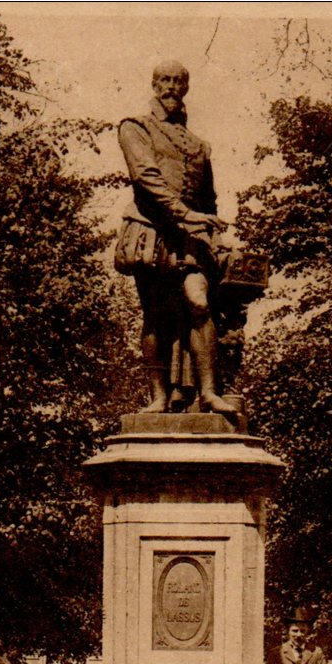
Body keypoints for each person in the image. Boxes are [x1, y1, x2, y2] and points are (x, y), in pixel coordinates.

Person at [113, 59, 238, 415]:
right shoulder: (135, 127)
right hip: (150, 230)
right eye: (164, 80)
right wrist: (185, 214)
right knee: (155, 315)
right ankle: (158, 397)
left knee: (199, 304)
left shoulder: (200, 145)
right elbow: (146, 177)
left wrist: (213, 235)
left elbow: (208, 198)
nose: (171, 87)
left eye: (178, 81)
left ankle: (209, 393)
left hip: (191, 235)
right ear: (154, 85)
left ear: (186, 87)